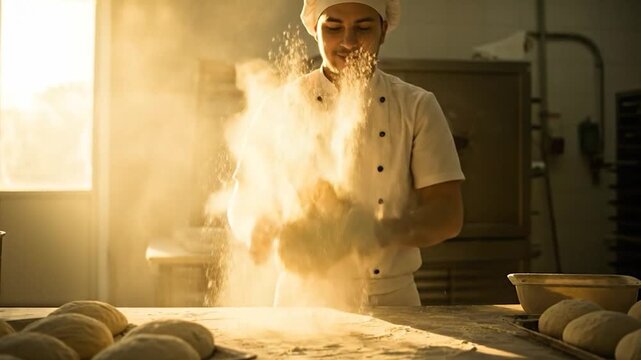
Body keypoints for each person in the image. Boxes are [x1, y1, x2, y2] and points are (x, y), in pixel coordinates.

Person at [227, 0, 464, 308]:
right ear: (315, 29)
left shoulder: (416, 106)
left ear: (383, 30)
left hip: (392, 300)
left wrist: (381, 232)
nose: (348, 41)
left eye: (363, 28)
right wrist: (258, 227)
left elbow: (447, 213)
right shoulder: (281, 105)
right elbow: (244, 199)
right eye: (334, 28)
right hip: (301, 300)